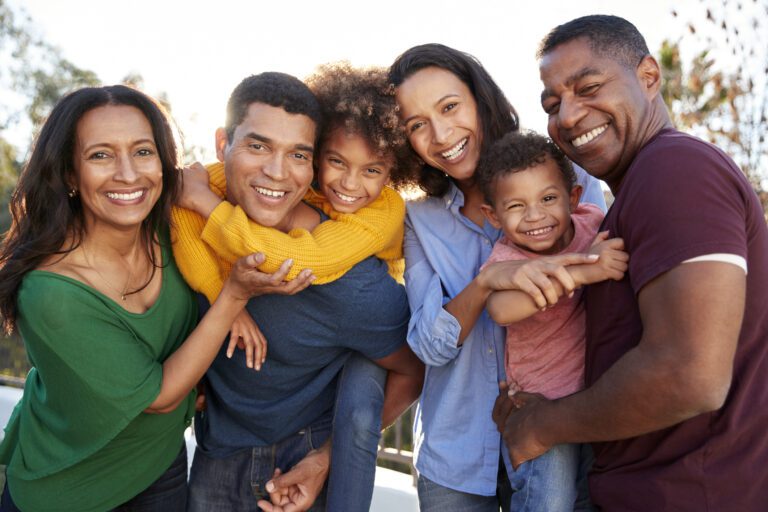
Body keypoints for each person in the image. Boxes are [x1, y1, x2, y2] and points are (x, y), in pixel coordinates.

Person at [493, 14, 768, 511]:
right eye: (552, 105)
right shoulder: (633, 195)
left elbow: (690, 373)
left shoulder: (676, 168)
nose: (569, 116)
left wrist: (543, 425)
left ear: (648, 76)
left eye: (589, 87)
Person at [0, 85, 276, 512]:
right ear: (70, 174)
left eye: (143, 152)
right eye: (100, 155)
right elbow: (159, 397)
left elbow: (255, 182)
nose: (128, 174)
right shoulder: (52, 292)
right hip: (69, 489)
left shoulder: (172, 229)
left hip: (160, 466)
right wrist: (233, 298)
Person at [171, 63, 421, 511]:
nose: (277, 171)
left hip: (298, 460)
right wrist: (224, 300)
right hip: (214, 452)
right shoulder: (202, 202)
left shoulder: (354, 276)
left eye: (296, 155)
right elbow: (180, 209)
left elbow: (413, 368)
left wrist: (327, 458)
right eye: (259, 146)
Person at [388, 43, 606, 511]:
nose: (441, 134)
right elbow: (429, 344)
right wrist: (489, 281)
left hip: (560, 432)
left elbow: (605, 290)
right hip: (458, 456)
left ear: (479, 98)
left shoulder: (570, 178)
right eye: (417, 125)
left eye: (449, 107)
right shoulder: (419, 220)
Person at [476, 130, 627, 511]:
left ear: (574, 198)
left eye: (548, 199)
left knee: (593, 500)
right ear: (493, 215)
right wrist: (579, 273)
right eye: (516, 206)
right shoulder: (507, 256)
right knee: (549, 505)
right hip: (539, 410)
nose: (535, 216)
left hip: (595, 402)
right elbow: (500, 309)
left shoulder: (593, 223)